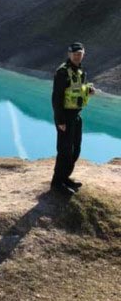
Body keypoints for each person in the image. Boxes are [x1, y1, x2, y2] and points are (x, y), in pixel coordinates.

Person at [50, 42, 96, 197]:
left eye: (80, 53)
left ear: (83, 54)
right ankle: (57, 183)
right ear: (69, 54)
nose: (77, 56)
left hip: (76, 116)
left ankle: (65, 178)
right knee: (64, 151)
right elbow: (57, 98)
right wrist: (60, 120)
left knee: (75, 149)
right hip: (65, 117)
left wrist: (88, 91)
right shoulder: (62, 72)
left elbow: (77, 90)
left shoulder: (81, 72)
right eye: (75, 53)